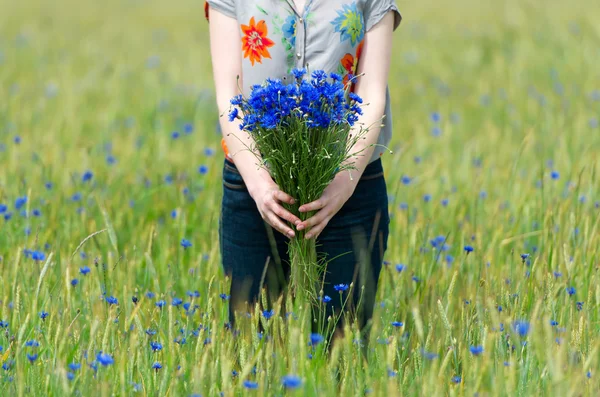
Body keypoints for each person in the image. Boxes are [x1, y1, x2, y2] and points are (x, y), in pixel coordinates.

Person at [206, 0, 401, 330]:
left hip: (348, 192)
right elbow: (229, 95)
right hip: (254, 192)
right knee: (253, 351)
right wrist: (258, 183)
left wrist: (343, 183)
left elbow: (372, 97)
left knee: (342, 351)